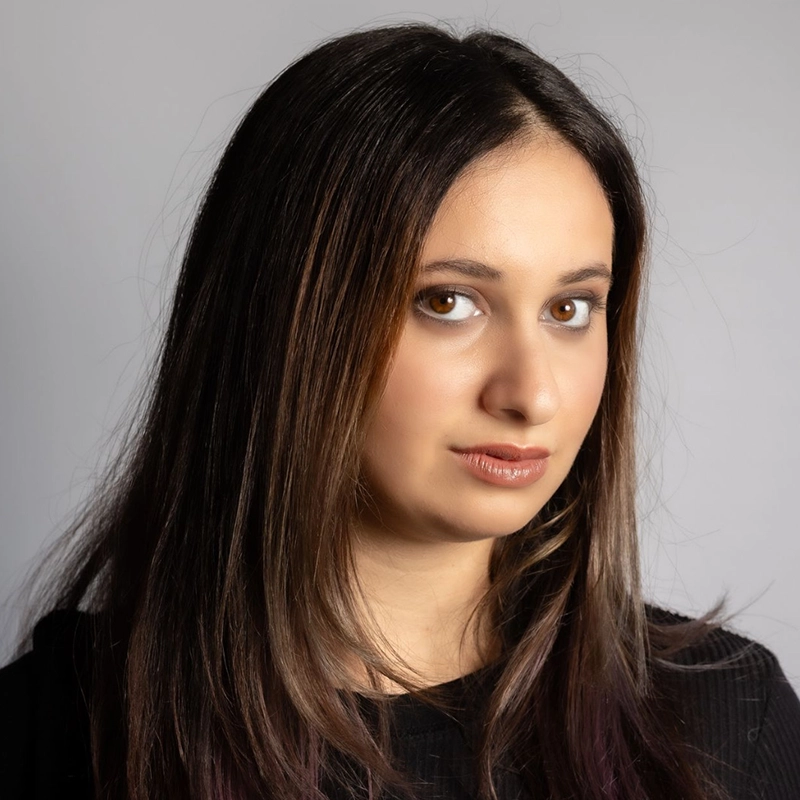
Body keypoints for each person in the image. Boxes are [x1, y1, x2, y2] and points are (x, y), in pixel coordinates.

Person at [1, 22, 798, 800]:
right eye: (448, 302)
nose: (533, 395)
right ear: (286, 319)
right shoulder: (49, 735)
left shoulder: (726, 723)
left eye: (570, 309)